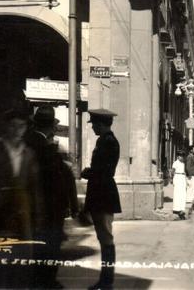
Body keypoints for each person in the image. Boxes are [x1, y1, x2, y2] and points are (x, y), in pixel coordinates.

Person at [0, 108, 41, 288]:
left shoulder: (29, 154)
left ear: (26, 128)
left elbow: (34, 189)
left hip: (22, 219)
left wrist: (38, 217)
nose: (17, 130)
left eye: (21, 126)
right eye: (13, 126)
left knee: (21, 269)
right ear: (6, 127)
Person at [26, 106, 76, 289]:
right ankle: (47, 282)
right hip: (48, 206)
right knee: (49, 247)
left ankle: (45, 280)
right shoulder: (43, 145)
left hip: (43, 206)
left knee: (43, 247)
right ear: (50, 127)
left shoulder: (34, 141)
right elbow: (53, 179)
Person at [81, 109, 121, 290]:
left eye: (95, 124)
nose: (93, 128)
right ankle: (106, 280)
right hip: (101, 193)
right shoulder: (104, 141)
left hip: (103, 194)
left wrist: (88, 172)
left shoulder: (108, 142)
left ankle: (106, 281)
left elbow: (105, 171)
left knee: (105, 238)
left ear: (102, 124)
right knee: (103, 237)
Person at [171, 152, 187, 220]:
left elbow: (184, 171)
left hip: (182, 177)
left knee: (183, 194)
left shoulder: (183, 163)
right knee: (177, 193)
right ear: (178, 156)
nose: (182, 157)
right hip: (177, 177)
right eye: (180, 156)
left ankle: (182, 209)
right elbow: (172, 172)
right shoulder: (175, 163)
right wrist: (172, 179)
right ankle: (176, 209)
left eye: (183, 156)